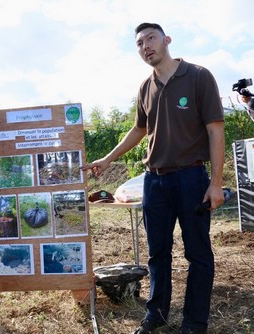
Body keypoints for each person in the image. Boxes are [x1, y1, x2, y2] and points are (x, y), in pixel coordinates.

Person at [85, 23, 224, 334]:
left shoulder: (198, 76)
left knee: (197, 253)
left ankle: (194, 322)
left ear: (166, 40)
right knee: (157, 253)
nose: (145, 46)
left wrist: (215, 183)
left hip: (191, 178)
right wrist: (108, 159)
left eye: (151, 38)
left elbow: (216, 130)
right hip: (154, 182)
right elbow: (139, 129)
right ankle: (156, 314)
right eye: (139, 43)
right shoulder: (145, 87)